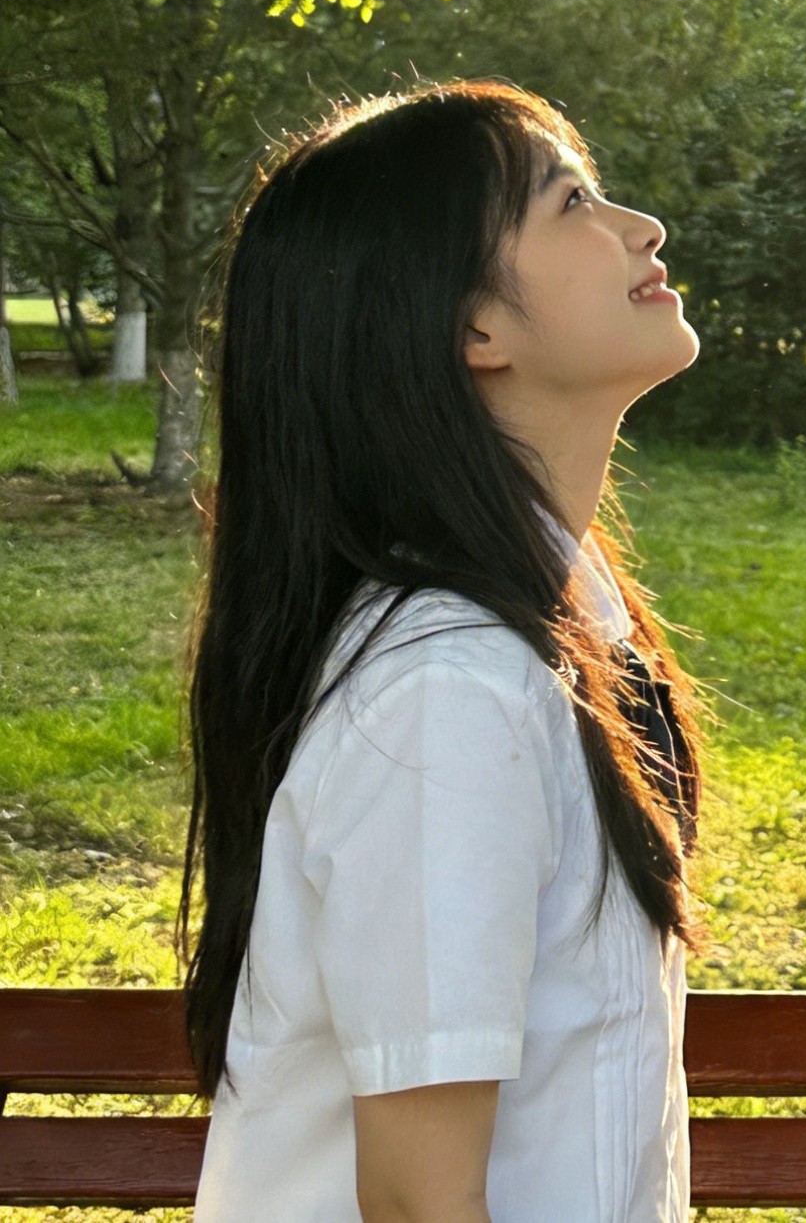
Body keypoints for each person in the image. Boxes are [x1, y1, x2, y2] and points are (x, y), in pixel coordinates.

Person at [184, 80, 703, 1223]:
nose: (640, 226)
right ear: (474, 329)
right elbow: (420, 1200)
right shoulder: (449, 693)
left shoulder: (554, 634)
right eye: (571, 202)